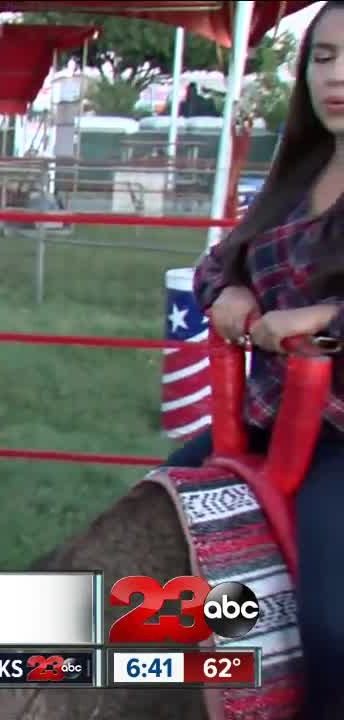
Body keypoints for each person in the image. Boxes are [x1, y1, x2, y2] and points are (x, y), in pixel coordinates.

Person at [166, 3, 342, 717]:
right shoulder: (297, 175)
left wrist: (326, 321)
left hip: (338, 436)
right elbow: (216, 264)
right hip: (263, 422)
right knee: (143, 529)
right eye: (323, 58)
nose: (336, 76)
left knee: (332, 627)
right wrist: (231, 290)